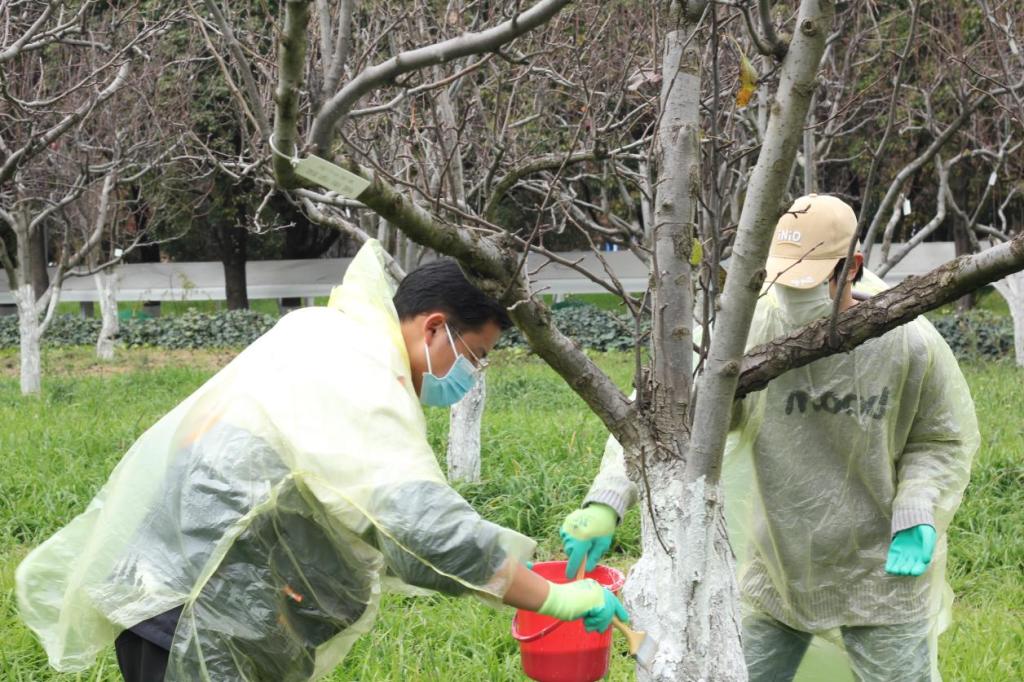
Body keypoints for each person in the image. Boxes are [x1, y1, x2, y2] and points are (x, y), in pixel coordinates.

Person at [17, 239, 628, 682]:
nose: (473, 373)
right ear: (435, 328)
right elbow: (426, 532)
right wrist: (554, 599)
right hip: (198, 614)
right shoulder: (364, 375)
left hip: (171, 586)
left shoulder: (326, 331)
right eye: (476, 355)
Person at [560, 195, 979, 681]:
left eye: (808, 279)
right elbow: (664, 415)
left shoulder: (907, 342)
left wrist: (917, 508)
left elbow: (939, 439)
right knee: (732, 673)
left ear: (852, 268)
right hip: (778, 567)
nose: (793, 293)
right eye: (785, 277)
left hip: (880, 572)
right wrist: (609, 498)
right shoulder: (749, 331)